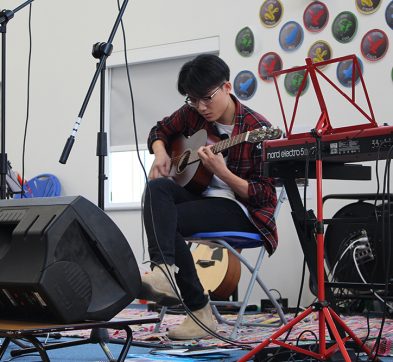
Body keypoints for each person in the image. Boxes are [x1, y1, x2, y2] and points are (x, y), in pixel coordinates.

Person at [138, 54, 278, 340]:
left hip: (241, 211)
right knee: (155, 189)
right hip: (200, 198)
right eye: (193, 100)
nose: (201, 107)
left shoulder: (257, 129)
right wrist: (161, 153)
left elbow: (264, 196)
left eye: (206, 98)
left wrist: (223, 174)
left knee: (169, 220)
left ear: (227, 87)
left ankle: (198, 309)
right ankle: (165, 273)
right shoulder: (193, 113)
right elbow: (160, 129)